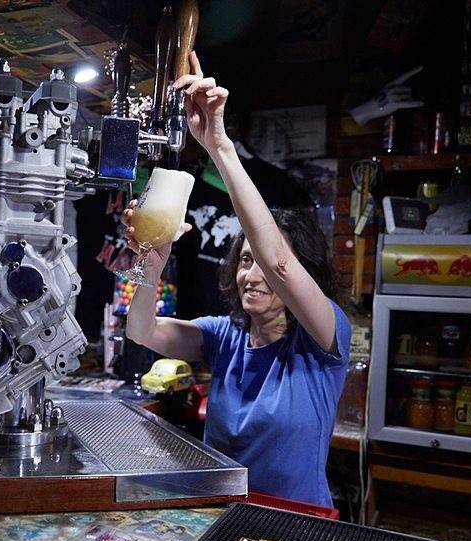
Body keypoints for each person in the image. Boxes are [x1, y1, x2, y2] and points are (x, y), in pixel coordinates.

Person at [123, 52, 350, 507]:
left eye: (262, 262)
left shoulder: (323, 339)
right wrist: (153, 263)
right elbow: (141, 331)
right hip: (221, 511)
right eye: (244, 261)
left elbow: (280, 264)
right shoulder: (225, 337)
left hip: (296, 520)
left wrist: (218, 146)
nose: (252, 274)